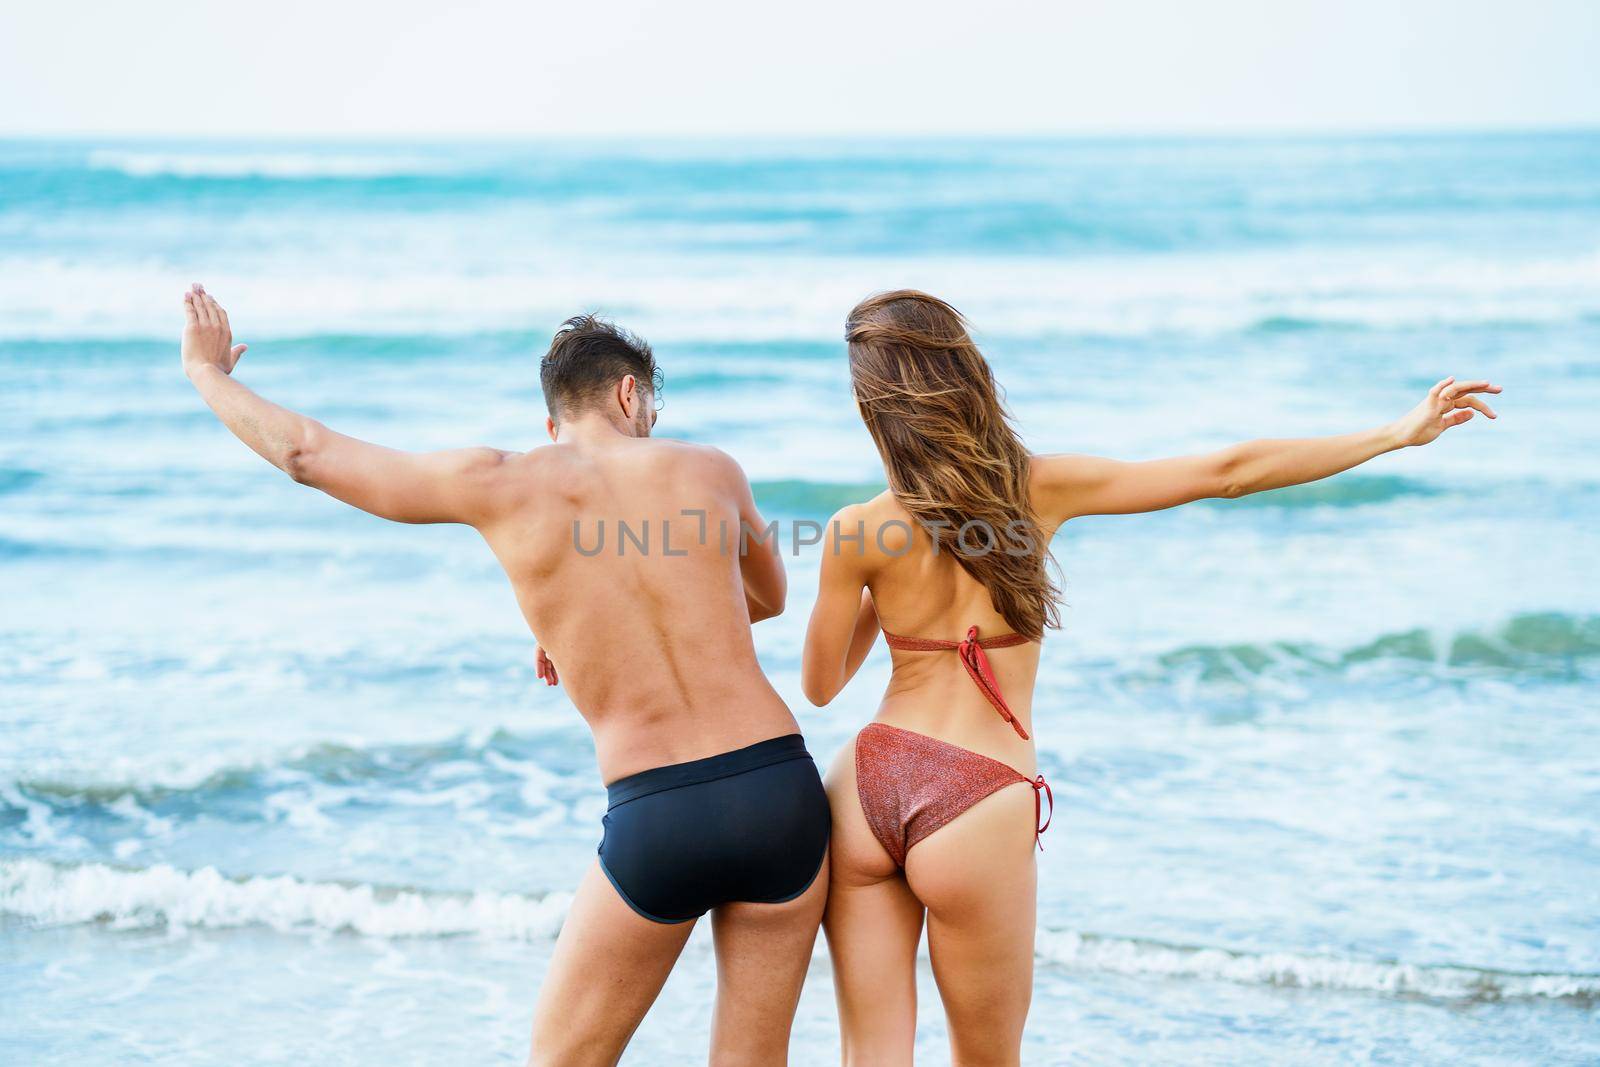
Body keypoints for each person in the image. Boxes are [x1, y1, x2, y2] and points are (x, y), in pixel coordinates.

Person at [801, 289, 1501, 1066]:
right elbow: (1227, 472)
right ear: (966, 376)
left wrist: (876, 590)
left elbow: (823, 684)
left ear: (875, 407)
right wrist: (1393, 433)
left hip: (868, 784)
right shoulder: (1040, 489)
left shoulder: (856, 530)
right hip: (976, 796)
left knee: (869, 1054)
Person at [179, 284, 831, 1067]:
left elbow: (307, 454)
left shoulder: (501, 481)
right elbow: (766, 595)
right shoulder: (712, 470)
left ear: (552, 425)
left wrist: (208, 374)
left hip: (661, 812)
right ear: (632, 394)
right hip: (777, 792)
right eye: (650, 411)